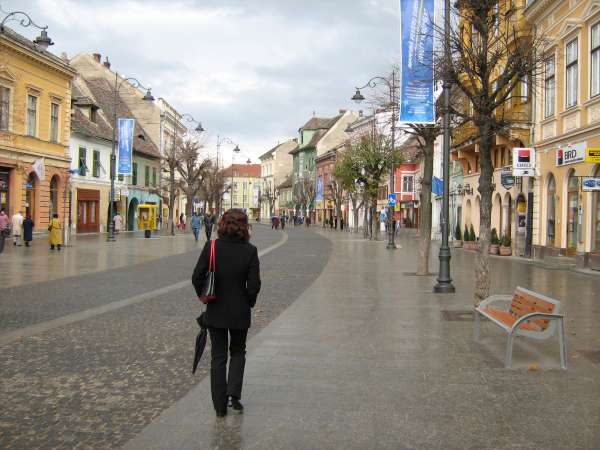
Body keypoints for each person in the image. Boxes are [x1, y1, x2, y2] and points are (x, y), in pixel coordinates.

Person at [192, 209, 261, 418]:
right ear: (244, 227)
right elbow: (254, 285)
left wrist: (205, 296)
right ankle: (233, 395)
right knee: (238, 352)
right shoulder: (250, 251)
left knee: (218, 356)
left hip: (216, 310)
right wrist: (248, 302)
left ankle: (219, 407)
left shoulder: (212, 247)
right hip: (240, 311)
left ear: (222, 224)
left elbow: (196, 277)